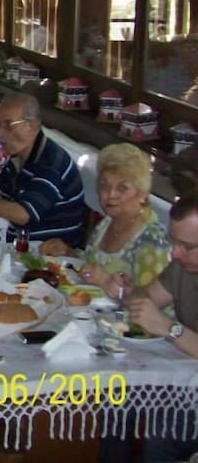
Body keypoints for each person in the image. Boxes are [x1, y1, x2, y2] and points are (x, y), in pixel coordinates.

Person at [39, 144, 171, 298]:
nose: (110, 194)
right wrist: (69, 253)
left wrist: (106, 282)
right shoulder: (106, 224)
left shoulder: (153, 239)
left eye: (122, 188)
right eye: (104, 185)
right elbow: (93, 266)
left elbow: (151, 302)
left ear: (142, 194)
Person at [0, 94, 85, 246]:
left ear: (33, 126)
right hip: (15, 240)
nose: (0, 133)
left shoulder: (50, 163)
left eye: (9, 125)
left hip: (45, 251)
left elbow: (23, 215)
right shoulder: (17, 156)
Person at [126, 196, 198, 461]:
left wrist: (169, 328)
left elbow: (164, 324)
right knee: (117, 400)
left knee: (164, 426)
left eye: (187, 246)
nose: (175, 253)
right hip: (186, 379)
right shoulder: (183, 266)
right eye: (173, 242)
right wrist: (126, 291)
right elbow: (147, 297)